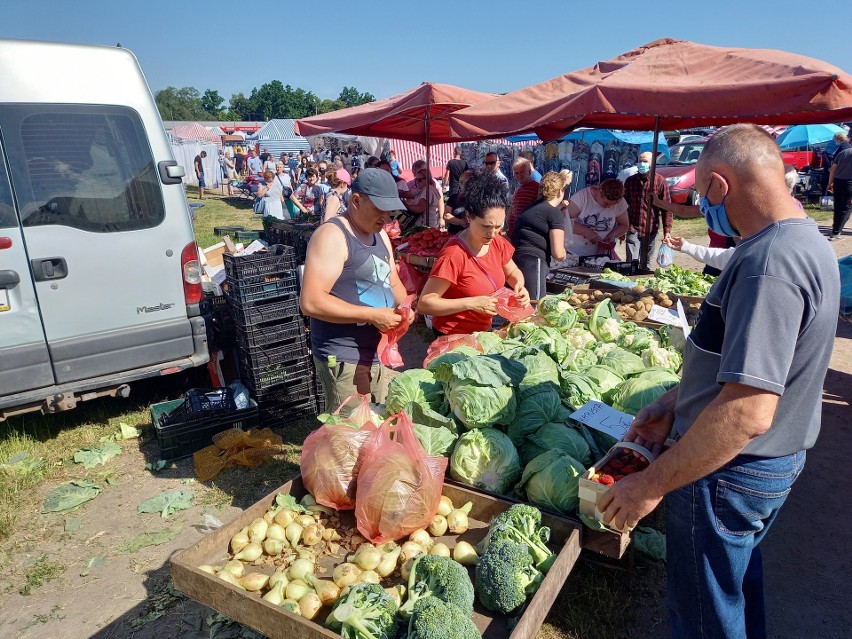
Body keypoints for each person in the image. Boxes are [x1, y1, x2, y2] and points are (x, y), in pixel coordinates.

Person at [599, 124, 840, 639]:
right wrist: (677, 399)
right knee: (732, 587)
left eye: (701, 194)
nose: (703, 209)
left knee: (704, 613)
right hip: (763, 466)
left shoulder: (768, 264)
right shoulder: (805, 241)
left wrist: (649, 487)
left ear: (719, 188)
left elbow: (748, 411)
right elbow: (757, 364)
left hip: (730, 473)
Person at [300, 168, 409, 406]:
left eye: (390, 212)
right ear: (356, 201)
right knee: (350, 436)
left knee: (374, 428)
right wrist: (371, 315)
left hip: (376, 353)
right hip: (344, 357)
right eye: (380, 211)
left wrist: (406, 307)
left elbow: (392, 282)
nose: (386, 219)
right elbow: (310, 301)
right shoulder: (332, 235)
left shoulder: (380, 236)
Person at [417, 173, 529, 336]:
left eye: (498, 226)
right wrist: (470, 303)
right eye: (486, 226)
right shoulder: (454, 254)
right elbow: (425, 304)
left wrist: (519, 285)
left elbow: (511, 271)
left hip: (482, 332)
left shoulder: (497, 242)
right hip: (453, 336)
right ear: (469, 217)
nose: (492, 233)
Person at [509, 171, 568, 300]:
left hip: (514, 262)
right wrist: (565, 254)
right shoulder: (554, 213)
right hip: (534, 263)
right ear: (560, 192)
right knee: (535, 307)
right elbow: (558, 254)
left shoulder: (529, 208)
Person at [623, 152, 672, 269]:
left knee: (646, 265)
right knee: (631, 265)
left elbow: (667, 209)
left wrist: (667, 231)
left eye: (645, 161)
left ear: (652, 163)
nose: (641, 164)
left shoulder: (660, 182)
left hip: (651, 230)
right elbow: (624, 206)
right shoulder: (630, 181)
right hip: (633, 228)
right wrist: (622, 226)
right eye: (639, 161)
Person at [564, 178, 629, 259]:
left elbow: (624, 225)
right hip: (574, 252)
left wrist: (612, 235)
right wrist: (586, 232)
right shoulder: (583, 196)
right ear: (599, 191)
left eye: (612, 205)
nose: (608, 206)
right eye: (606, 203)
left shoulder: (620, 202)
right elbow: (563, 220)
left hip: (600, 255)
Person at [827, 133, 852, 240]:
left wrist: (830, 183)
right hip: (849, 183)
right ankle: (836, 232)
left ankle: (835, 228)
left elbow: (832, 170)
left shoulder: (842, 153)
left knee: (838, 206)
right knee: (846, 208)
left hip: (838, 182)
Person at [507, 158, 539, 235]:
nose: (519, 176)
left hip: (525, 235)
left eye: (522, 172)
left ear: (529, 172)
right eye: (517, 173)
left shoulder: (537, 188)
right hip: (513, 234)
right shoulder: (518, 190)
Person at [443, 170, 474, 235]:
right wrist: (461, 222)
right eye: (467, 184)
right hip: (454, 234)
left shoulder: (476, 198)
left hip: (472, 235)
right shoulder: (454, 198)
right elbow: (446, 215)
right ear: (461, 184)